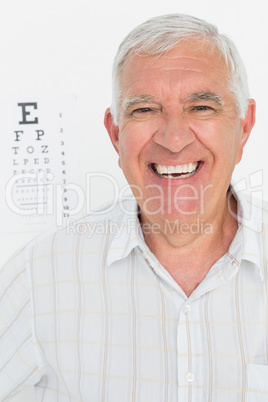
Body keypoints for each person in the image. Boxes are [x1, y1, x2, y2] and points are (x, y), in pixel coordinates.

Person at [0, 13, 266, 402]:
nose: (174, 139)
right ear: (115, 134)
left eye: (201, 108)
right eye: (144, 110)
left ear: (244, 127)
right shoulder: (37, 278)